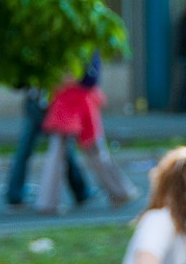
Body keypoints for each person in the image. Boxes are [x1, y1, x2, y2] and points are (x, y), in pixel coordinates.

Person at [35, 53, 138, 214]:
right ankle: (120, 191)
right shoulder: (86, 43)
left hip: (67, 99)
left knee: (61, 151)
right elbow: (91, 78)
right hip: (78, 100)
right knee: (93, 150)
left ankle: (47, 201)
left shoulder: (61, 43)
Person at [5, 86, 92, 208]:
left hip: (45, 102)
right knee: (62, 151)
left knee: (60, 151)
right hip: (47, 103)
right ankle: (79, 192)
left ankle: (80, 192)